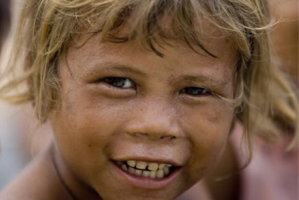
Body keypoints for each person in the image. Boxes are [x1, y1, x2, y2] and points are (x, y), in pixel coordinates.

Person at [0, 0, 297, 200]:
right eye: (118, 83)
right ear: (39, 80)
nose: (157, 125)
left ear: (239, 100)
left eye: (195, 90)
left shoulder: (179, 188)